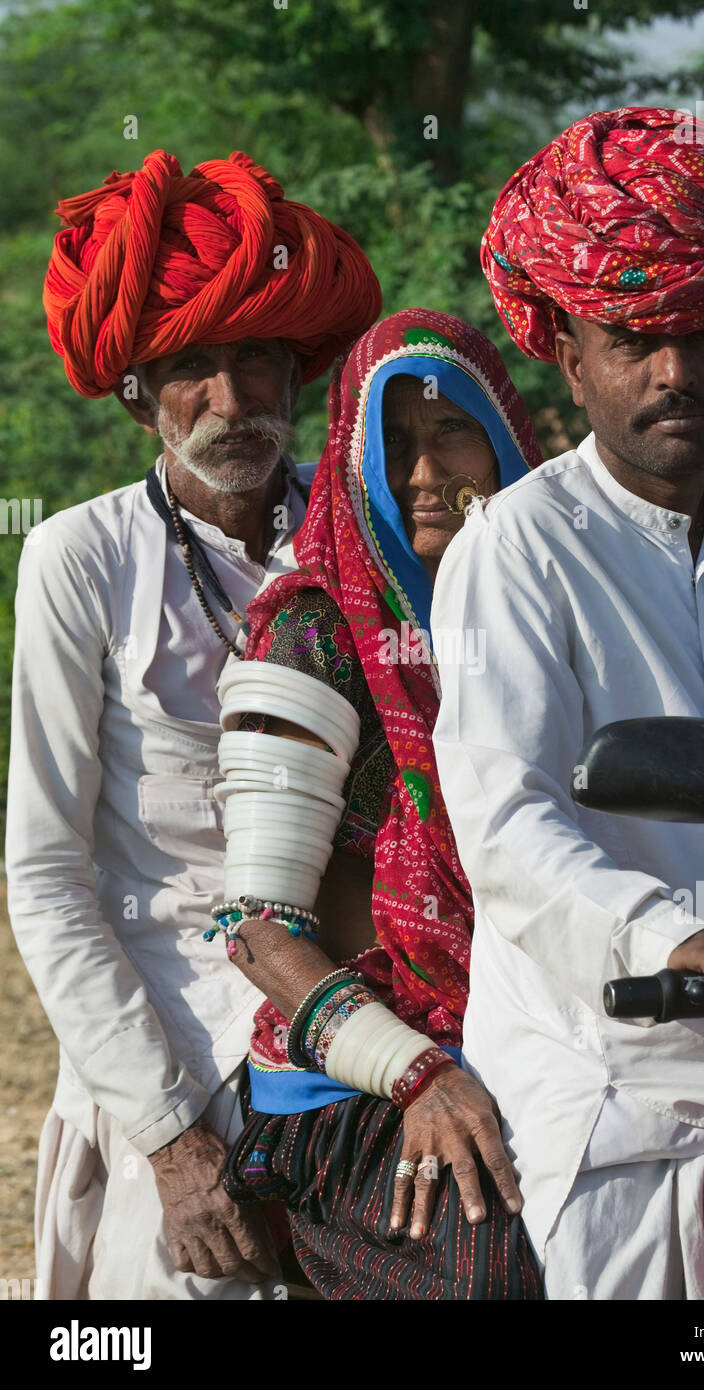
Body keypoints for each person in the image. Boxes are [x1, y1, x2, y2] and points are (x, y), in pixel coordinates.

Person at [430, 107, 704, 1300]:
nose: (679, 372)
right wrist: (666, 934)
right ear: (567, 353)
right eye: (636, 337)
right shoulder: (515, 550)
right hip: (615, 1069)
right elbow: (508, 823)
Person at [6, 148, 380, 1300]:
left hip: (366, 1032)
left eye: (257, 361)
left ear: (296, 371)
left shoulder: (362, 536)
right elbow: (47, 874)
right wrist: (174, 1144)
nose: (230, 404)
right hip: (173, 1051)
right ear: (136, 391)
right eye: (190, 370)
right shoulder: (85, 556)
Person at [217, 308, 544, 1299]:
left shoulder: (566, 608)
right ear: (352, 460)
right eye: (391, 443)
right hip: (363, 1066)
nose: (422, 472)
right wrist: (415, 1071)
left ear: (505, 438)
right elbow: (256, 928)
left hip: (548, 1023)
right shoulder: (314, 628)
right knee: (493, 1259)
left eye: (449, 430)